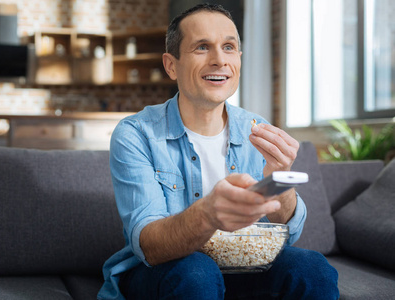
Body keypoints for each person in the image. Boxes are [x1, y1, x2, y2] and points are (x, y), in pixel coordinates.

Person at [98, 3, 339, 300]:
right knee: (196, 272)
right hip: (163, 271)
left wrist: (280, 183)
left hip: (244, 267)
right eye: (202, 47)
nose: (219, 60)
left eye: (228, 47)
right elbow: (149, 245)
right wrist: (208, 215)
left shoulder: (258, 129)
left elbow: (291, 232)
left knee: (312, 268)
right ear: (171, 65)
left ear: (238, 58)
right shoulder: (136, 134)